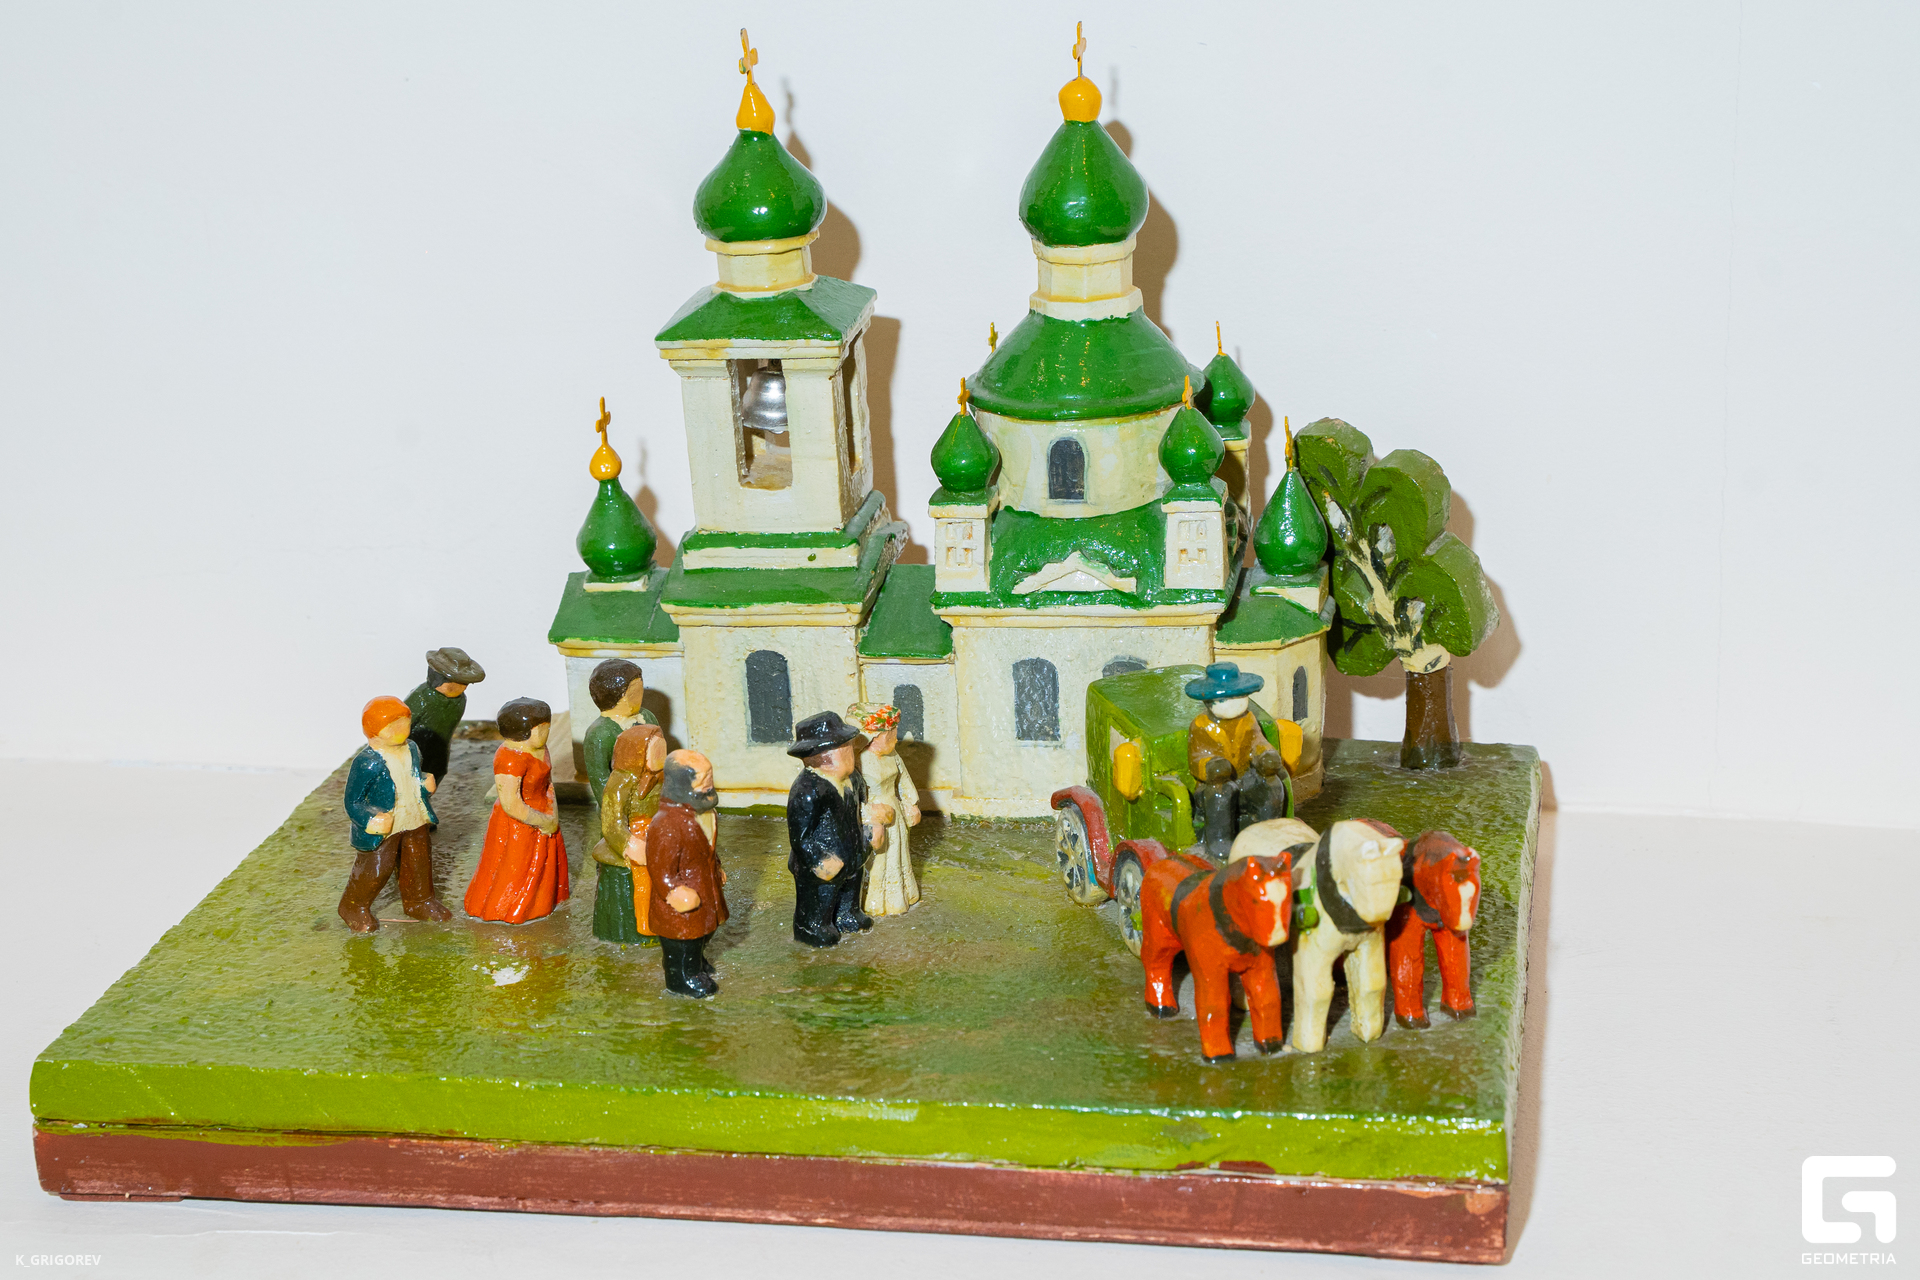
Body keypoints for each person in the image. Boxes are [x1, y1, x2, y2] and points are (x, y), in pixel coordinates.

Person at [339, 696, 450, 931]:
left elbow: (410, 779)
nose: (401, 730)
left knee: (418, 862)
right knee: (377, 868)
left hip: (414, 817)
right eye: (393, 726)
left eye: (405, 723)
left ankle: (419, 901)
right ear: (373, 731)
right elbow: (353, 801)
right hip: (385, 825)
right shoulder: (367, 762)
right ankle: (353, 906)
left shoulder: (412, 749)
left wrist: (424, 783)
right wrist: (370, 819)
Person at [464, 698, 570, 923]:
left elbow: (548, 783)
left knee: (543, 865)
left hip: (544, 811)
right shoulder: (510, 759)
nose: (547, 732)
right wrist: (542, 821)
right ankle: (509, 909)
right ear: (528, 731)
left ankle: (541, 903)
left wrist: (552, 813)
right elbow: (511, 804)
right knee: (516, 868)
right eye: (544, 728)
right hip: (519, 823)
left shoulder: (541, 749)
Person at [785, 711, 884, 947]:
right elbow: (799, 836)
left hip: (852, 852)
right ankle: (812, 927)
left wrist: (872, 828)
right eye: (845, 747)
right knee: (821, 896)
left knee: (851, 885)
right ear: (823, 757)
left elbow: (861, 809)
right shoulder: (807, 790)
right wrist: (818, 860)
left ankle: (848, 915)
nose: (851, 750)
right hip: (823, 861)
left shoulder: (854, 779)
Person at [644, 750, 729, 997]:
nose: (709, 784)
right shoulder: (667, 823)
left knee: (705, 931)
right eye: (703, 779)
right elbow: (659, 866)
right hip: (682, 898)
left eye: (710, 775)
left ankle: (696, 964)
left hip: (706, 888)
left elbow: (708, 848)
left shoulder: (706, 813)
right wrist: (673, 891)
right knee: (683, 940)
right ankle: (682, 978)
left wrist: (718, 867)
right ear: (682, 783)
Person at [1185, 663, 1289, 861]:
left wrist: (1265, 755)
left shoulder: (1248, 720)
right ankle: (1220, 841)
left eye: (1239, 698)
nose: (1234, 705)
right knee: (1220, 793)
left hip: (1246, 778)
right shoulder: (1200, 726)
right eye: (1224, 700)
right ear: (1209, 702)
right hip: (1215, 785)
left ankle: (1268, 832)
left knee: (1272, 784)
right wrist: (1211, 766)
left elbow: (1258, 742)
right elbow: (1196, 758)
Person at [594, 722, 666, 945]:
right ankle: (646, 924)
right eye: (655, 749)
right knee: (644, 869)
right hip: (633, 833)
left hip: (659, 828)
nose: (661, 753)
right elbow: (612, 823)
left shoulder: (665, 777)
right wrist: (629, 844)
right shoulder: (621, 782)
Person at [850, 702, 922, 918]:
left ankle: (899, 895)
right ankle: (872, 899)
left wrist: (911, 803)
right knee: (877, 859)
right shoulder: (857, 760)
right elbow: (850, 796)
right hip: (875, 816)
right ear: (876, 735)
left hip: (895, 813)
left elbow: (904, 779)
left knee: (897, 854)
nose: (896, 739)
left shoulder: (893, 755)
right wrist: (867, 813)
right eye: (892, 734)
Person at [403, 647, 486, 789]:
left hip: (439, 750)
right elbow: (402, 721)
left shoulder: (460, 700)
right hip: (414, 748)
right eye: (460, 683)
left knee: (435, 775)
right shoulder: (421, 697)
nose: (464, 687)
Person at [581, 659, 657, 804]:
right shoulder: (599, 734)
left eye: (640, 690)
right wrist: (612, 809)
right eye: (633, 693)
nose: (639, 696)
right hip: (622, 799)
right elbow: (600, 779)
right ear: (615, 697)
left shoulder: (647, 717)